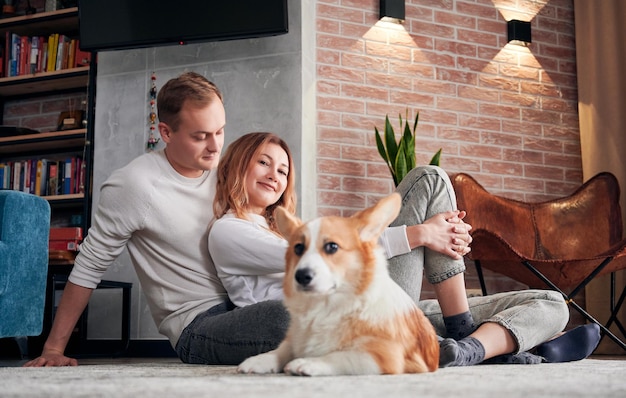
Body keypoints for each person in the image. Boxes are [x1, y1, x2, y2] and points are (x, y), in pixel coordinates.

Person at [23, 72, 471, 367]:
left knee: (428, 183)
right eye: (200, 137)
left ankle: (457, 332)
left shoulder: (226, 173)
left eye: (220, 132)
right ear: (165, 132)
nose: (215, 148)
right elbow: (89, 265)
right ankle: (436, 339)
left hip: (248, 301)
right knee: (292, 317)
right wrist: (54, 348)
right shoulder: (134, 186)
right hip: (199, 326)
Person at [209, 132, 601, 366]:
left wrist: (438, 236)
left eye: (283, 170)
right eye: (264, 162)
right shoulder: (228, 231)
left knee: (552, 302)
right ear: (238, 165)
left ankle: (468, 349)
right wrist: (421, 235)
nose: (275, 176)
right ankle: (501, 346)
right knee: (429, 179)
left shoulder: (281, 228)